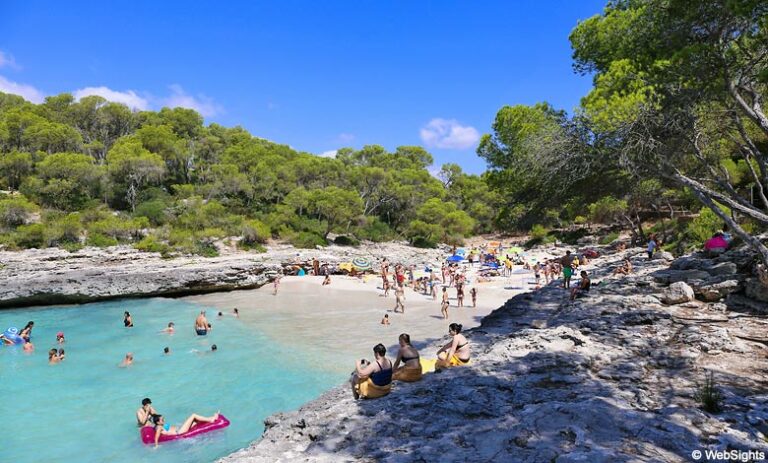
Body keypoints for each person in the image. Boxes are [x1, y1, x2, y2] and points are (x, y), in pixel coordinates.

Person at [150, 412, 220, 447]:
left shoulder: (160, 425)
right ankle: (211, 420)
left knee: (195, 421)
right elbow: (156, 436)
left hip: (180, 429)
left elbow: (167, 429)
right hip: (180, 432)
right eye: (162, 419)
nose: (164, 420)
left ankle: (211, 418)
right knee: (193, 415)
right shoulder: (159, 427)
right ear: (158, 422)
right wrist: (156, 446)